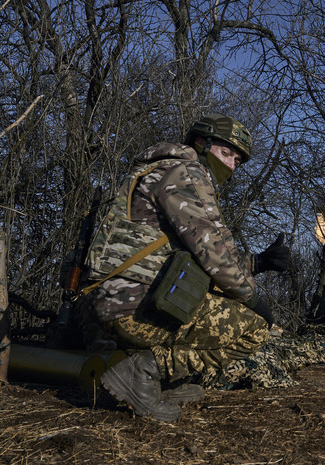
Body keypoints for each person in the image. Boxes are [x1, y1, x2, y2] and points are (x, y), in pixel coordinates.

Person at [80, 114, 289, 422]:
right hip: (138, 309)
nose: (232, 164)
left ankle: (162, 378)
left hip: (120, 301)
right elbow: (213, 255)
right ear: (201, 144)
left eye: (238, 160)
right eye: (226, 153)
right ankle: (146, 372)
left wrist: (257, 262)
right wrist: (256, 304)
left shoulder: (160, 171)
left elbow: (187, 254)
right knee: (254, 329)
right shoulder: (186, 173)